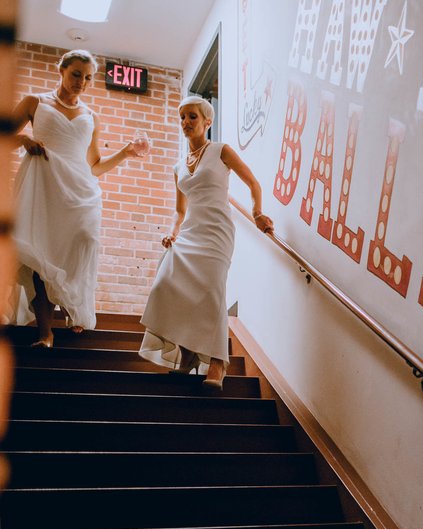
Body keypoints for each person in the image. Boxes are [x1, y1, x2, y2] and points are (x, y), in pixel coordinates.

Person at [9, 49, 147, 347]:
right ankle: (45, 332)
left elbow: (94, 166)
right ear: (61, 69)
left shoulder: (91, 117)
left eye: (87, 78)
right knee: (40, 253)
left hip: (79, 190)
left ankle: (73, 305)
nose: (81, 83)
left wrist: (125, 153)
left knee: (85, 241)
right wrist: (22, 139)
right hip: (42, 186)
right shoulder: (36, 102)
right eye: (76, 75)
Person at [139, 95, 272, 389]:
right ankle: (187, 357)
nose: (186, 122)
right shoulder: (178, 167)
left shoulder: (221, 151)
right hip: (189, 232)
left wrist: (258, 212)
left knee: (212, 290)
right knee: (169, 286)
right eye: (182, 117)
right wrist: (173, 232)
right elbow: (180, 210)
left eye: (192, 117)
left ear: (207, 122)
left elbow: (253, 183)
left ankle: (217, 363)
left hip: (217, 231)